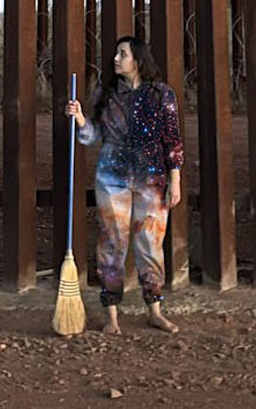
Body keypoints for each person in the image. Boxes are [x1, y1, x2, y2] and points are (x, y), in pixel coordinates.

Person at [66, 35, 183, 334]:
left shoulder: (161, 94)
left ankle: (154, 310)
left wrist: (175, 180)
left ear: (138, 60)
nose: (116, 59)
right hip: (111, 177)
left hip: (152, 179)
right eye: (117, 53)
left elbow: (172, 140)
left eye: (123, 54)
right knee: (111, 243)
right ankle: (112, 316)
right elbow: (93, 136)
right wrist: (80, 118)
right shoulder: (106, 95)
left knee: (150, 245)